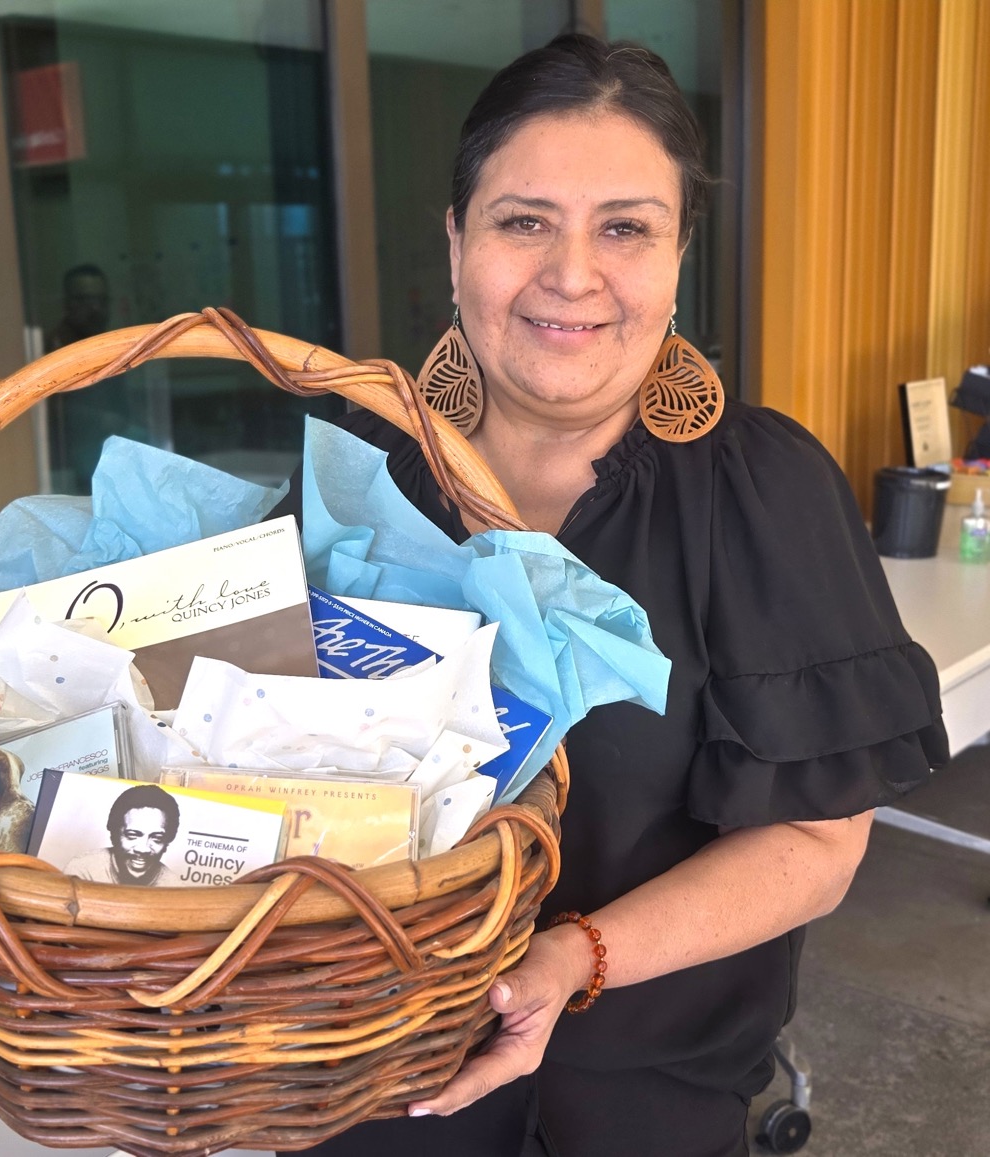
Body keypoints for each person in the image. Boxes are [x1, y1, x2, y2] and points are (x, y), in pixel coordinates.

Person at [287, 32, 948, 1157]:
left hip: (638, 1109)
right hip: (356, 1087)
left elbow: (815, 842)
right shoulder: (359, 468)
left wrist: (569, 957)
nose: (571, 274)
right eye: (522, 220)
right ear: (456, 241)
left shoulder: (763, 491)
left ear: (679, 251)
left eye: (624, 228)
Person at [65, 784, 180, 887]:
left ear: (167, 842)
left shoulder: (174, 888)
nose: (143, 849)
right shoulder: (82, 870)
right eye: (132, 835)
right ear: (114, 835)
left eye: (157, 838)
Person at [46, 263, 111, 352]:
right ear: (67, 303)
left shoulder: (112, 346)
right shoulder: (49, 351)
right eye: (86, 299)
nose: (96, 308)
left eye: (102, 299)